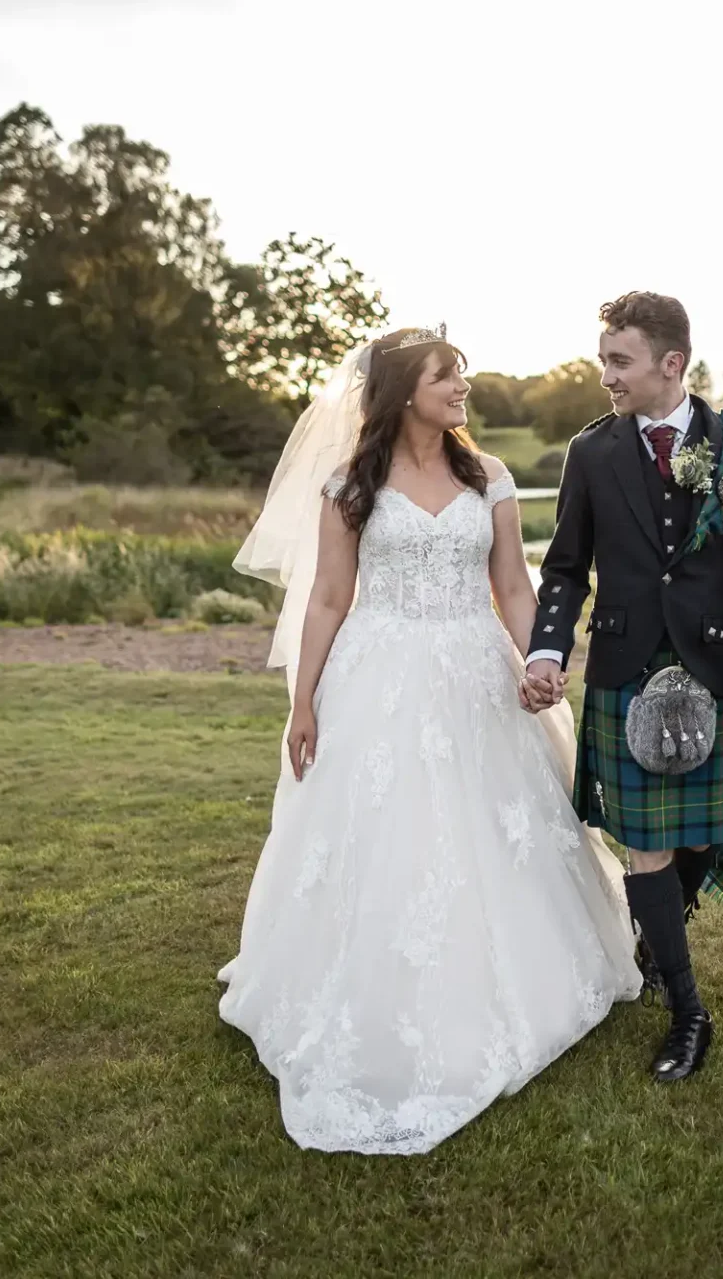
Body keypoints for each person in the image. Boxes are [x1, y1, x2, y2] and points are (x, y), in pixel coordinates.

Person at [217, 326, 641, 1156]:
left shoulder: (490, 477)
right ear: (405, 389)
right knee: (390, 833)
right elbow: (330, 600)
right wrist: (302, 703)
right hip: (378, 677)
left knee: (496, 828)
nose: (463, 387)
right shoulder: (350, 485)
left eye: (463, 374)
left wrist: (543, 659)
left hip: (477, 672)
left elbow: (514, 586)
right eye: (448, 375)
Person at [523, 292, 723, 1084]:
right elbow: (567, 567)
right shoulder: (594, 451)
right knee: (647, 844)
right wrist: (547, 650)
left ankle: (658, 928)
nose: (604, 374)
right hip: (626, 665)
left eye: (619, 361)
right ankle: (687, 1009)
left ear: (670, 364)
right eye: (604, 358)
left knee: (703, 837)